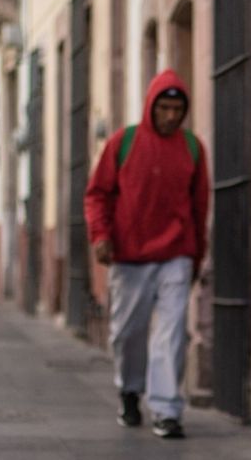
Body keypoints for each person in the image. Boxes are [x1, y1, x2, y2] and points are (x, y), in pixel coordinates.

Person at [84, 69, 209, 439]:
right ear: (150, 107)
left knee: (171, 333)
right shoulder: (123, 143)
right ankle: (129, 389)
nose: (171, 116)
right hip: (129, 255)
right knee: (128, 332)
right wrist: (100, 236)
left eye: (177, 109)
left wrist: (196, 255)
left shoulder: (192, 148)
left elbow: (200, 205)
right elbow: (97, 194)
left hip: (176, 254)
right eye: (164, 108)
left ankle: (167, 409)